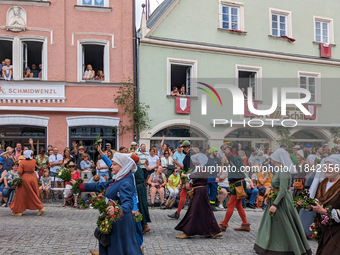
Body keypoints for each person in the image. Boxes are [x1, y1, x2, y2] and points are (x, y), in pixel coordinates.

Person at [72, 152, 143, 255]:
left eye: (114, 164)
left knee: (120, 249)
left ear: (122, 166)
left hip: (120, 221)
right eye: (112, 164)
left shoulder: (125, 182)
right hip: (115, 219)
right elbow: (101, 185)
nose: (111, 166)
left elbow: (128, 203)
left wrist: (117, 210)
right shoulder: (118, 179)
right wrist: (81, 186)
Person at [254, 148, 311, 255]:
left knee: (285, 226)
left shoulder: (284, 171)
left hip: (281, 203)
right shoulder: (280, 170)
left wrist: (275, 204)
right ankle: (270, 246)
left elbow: (283, 190)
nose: (271, 160)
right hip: (276, 200)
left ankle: (285, 248)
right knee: (277, 226)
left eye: (272, 158)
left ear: (277, 159)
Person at [174, 153, 222, 239]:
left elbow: (196, 175)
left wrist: (186, 175)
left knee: (193, 211)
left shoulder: (202, 168)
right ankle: (215, 231)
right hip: (199, 191)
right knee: (205, 212)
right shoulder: (199, 168)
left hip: (200, 192)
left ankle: (188, 232)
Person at [310, 154, 340, 254]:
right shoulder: (323, 183)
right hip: (325, 230)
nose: (328, 169)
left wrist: (323, 211)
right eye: (326, 166)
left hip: (337, 232)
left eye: (331, 166)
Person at [219, 142, 250, 232]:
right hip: (236, 183)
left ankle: (224, 224)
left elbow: (231, 158)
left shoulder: (237, 159)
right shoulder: (236, 158)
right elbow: (229, 157)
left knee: (230, 204)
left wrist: (228, 152)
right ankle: (245, 224)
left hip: (238, 183)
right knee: (238, 205)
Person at [10, 150, 45, 216]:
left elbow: (19, 172)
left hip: (25, 178)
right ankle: (40, 208)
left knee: (21, 195)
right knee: (34, 193)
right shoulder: (33, 161)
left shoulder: (22, 162)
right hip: (33, 178)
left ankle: (19, 211)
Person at [168, 140, 192, 219]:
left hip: (188, 178)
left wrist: (188, 179)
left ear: (185, 147)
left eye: (183, 147)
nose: (182, 149)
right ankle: (178, 213)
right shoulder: (189, 154)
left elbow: (189, 168)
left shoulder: (189, 155)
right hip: (189, 177)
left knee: (185, 195)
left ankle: (178, 213)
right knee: (184, 194)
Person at [130, 154, 151, 234]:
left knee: (140, 206)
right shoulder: (137, 168)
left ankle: (145, 225)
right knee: (143, 205)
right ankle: (144, 225)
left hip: (138, 188)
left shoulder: (133, 169)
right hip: (141, 187)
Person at [206, 147, 221, 211]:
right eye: (215, 151)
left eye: (217, 151)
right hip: (207, 177)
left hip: (214, 177)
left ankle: (212, 205)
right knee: (206, 191)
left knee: (214, 191)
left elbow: (220, 169)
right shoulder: (206, 159)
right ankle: (206, 205)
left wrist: (218, 177)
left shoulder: (218, 160)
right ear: (212, 152)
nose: (217, 152)